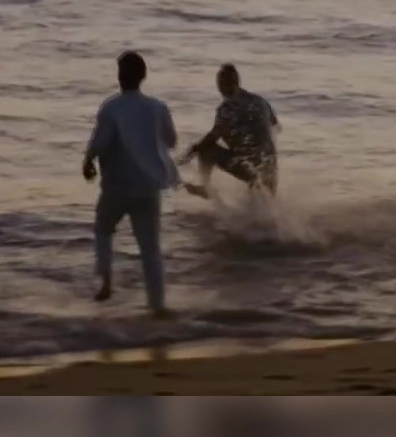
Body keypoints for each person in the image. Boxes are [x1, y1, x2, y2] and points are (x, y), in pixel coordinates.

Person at [82, 51, 179, 316]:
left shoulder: (112, 107)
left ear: (119, 77)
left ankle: (106, 281)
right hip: (148, 187)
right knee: (150, 249)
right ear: (143, 76)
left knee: (103, 229)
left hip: (117, 186)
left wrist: (88, 161)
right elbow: (171, 141)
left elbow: (100, 142)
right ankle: (157, 306)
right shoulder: (157, 107)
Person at [181, 63, 280, 199]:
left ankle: (206, 188)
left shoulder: (228, 106)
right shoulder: (260, 101)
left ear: (222, 85)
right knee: (262, 209)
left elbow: (214, 136)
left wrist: (193, 150)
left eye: (219, 83)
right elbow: (275, 125)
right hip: (270, 167)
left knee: (206, 149)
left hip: (251, 169)